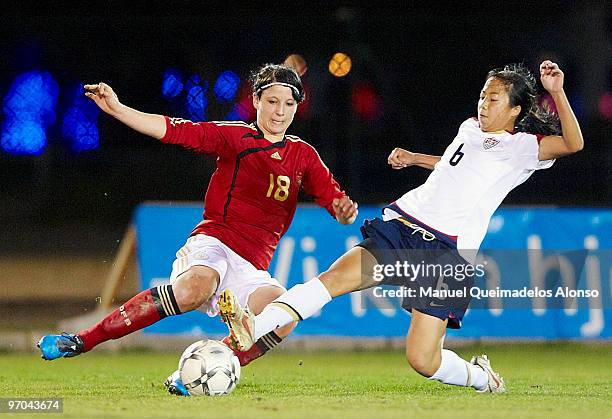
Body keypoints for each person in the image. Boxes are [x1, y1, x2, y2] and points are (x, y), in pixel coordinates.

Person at [220, 60, 583, 393]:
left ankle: (481, 378)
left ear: (515, 110)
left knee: (423, 360)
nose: (484, 104)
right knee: (331, 280)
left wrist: (557, 91)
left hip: (447, 254)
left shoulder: (523, 149)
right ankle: (256, 325)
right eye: (482, 96)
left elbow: (573, 143)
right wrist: (414, 159)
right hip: (404, 227)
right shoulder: (470, 128)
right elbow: (455, 166)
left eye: (494, 98)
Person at [37, 63, 358, 394]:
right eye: (272, 101)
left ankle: (197, 372)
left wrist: (345, 212)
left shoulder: (303, 156)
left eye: (288, 103)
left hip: (252, 268)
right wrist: (118, 109)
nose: (280, 111)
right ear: (257, 100)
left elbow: (338, 205)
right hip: (214, 243)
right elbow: (175, 130)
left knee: (284, 314)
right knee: (195, 288)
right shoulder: (236, 136)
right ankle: (83, 340)